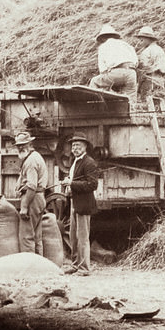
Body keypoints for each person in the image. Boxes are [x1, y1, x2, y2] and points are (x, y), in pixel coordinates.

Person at [60, 133, 99, 276]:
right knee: (73, 237)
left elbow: (92, 184)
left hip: (84, 205)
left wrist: (72, 183)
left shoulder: (89, 163)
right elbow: (75, 180)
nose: (75, 148)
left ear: (85, 147)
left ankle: (84, 269)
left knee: (82, 238)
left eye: (78, 145)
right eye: (73, 145)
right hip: (74, 203)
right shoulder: (75, 161)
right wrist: (68, 182)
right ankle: (75, 265)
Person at [89, 24, 138, 98]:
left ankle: (93, 104)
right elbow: (136, 63)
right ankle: (132, 108)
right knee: (130, 98)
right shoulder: (127, 45)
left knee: (95, 81)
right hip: (132, 73)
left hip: (117, 72)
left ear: (103, 38)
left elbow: (103, 70)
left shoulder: (103, 47)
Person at [15, 132, 48, 226]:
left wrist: (24, 207)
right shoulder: (33, 156)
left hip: (32, 199)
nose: (20, 148)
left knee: (26, 236)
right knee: (36, 235)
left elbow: (32, 186)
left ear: (30, 144)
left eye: (23, 145)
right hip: (36, 198)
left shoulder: (31, 161)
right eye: (18, 146)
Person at [134, 25, 165, 101]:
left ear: (148, 39)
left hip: (149, 79)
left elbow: (143, 68)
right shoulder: (160, 49)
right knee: (159, 100)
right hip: (160, 79)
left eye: (142, 39)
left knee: (146, 101)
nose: (140, 41)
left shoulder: (146, 51)